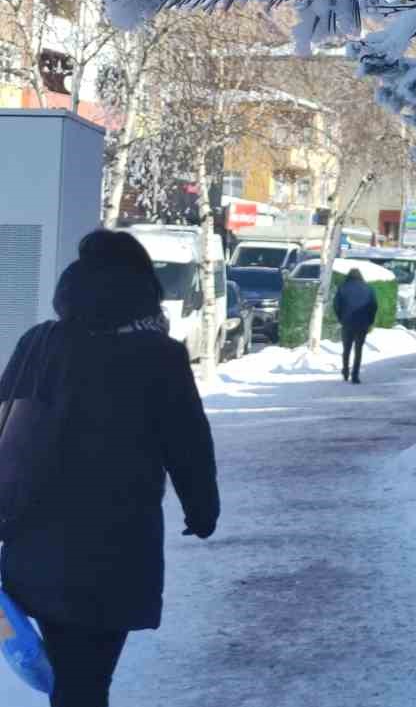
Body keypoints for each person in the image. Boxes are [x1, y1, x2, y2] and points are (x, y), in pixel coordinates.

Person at [0, 229, 219, 707]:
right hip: (115, 547)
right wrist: (202, 509)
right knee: (88, 678)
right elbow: (187, 442)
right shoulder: (159, 356)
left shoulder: (39, 343)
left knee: (72, 675)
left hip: (36, 540)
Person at [334, 268, 378, 384]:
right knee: (358, 350)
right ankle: (355, 375)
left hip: (347, 322)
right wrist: (370, 321)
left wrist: (341, 318)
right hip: (362, 323)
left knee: (346, 348)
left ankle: (345, 371)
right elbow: (373, 306)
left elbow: (336, 305)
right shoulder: (368, 288)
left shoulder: (343, 287)